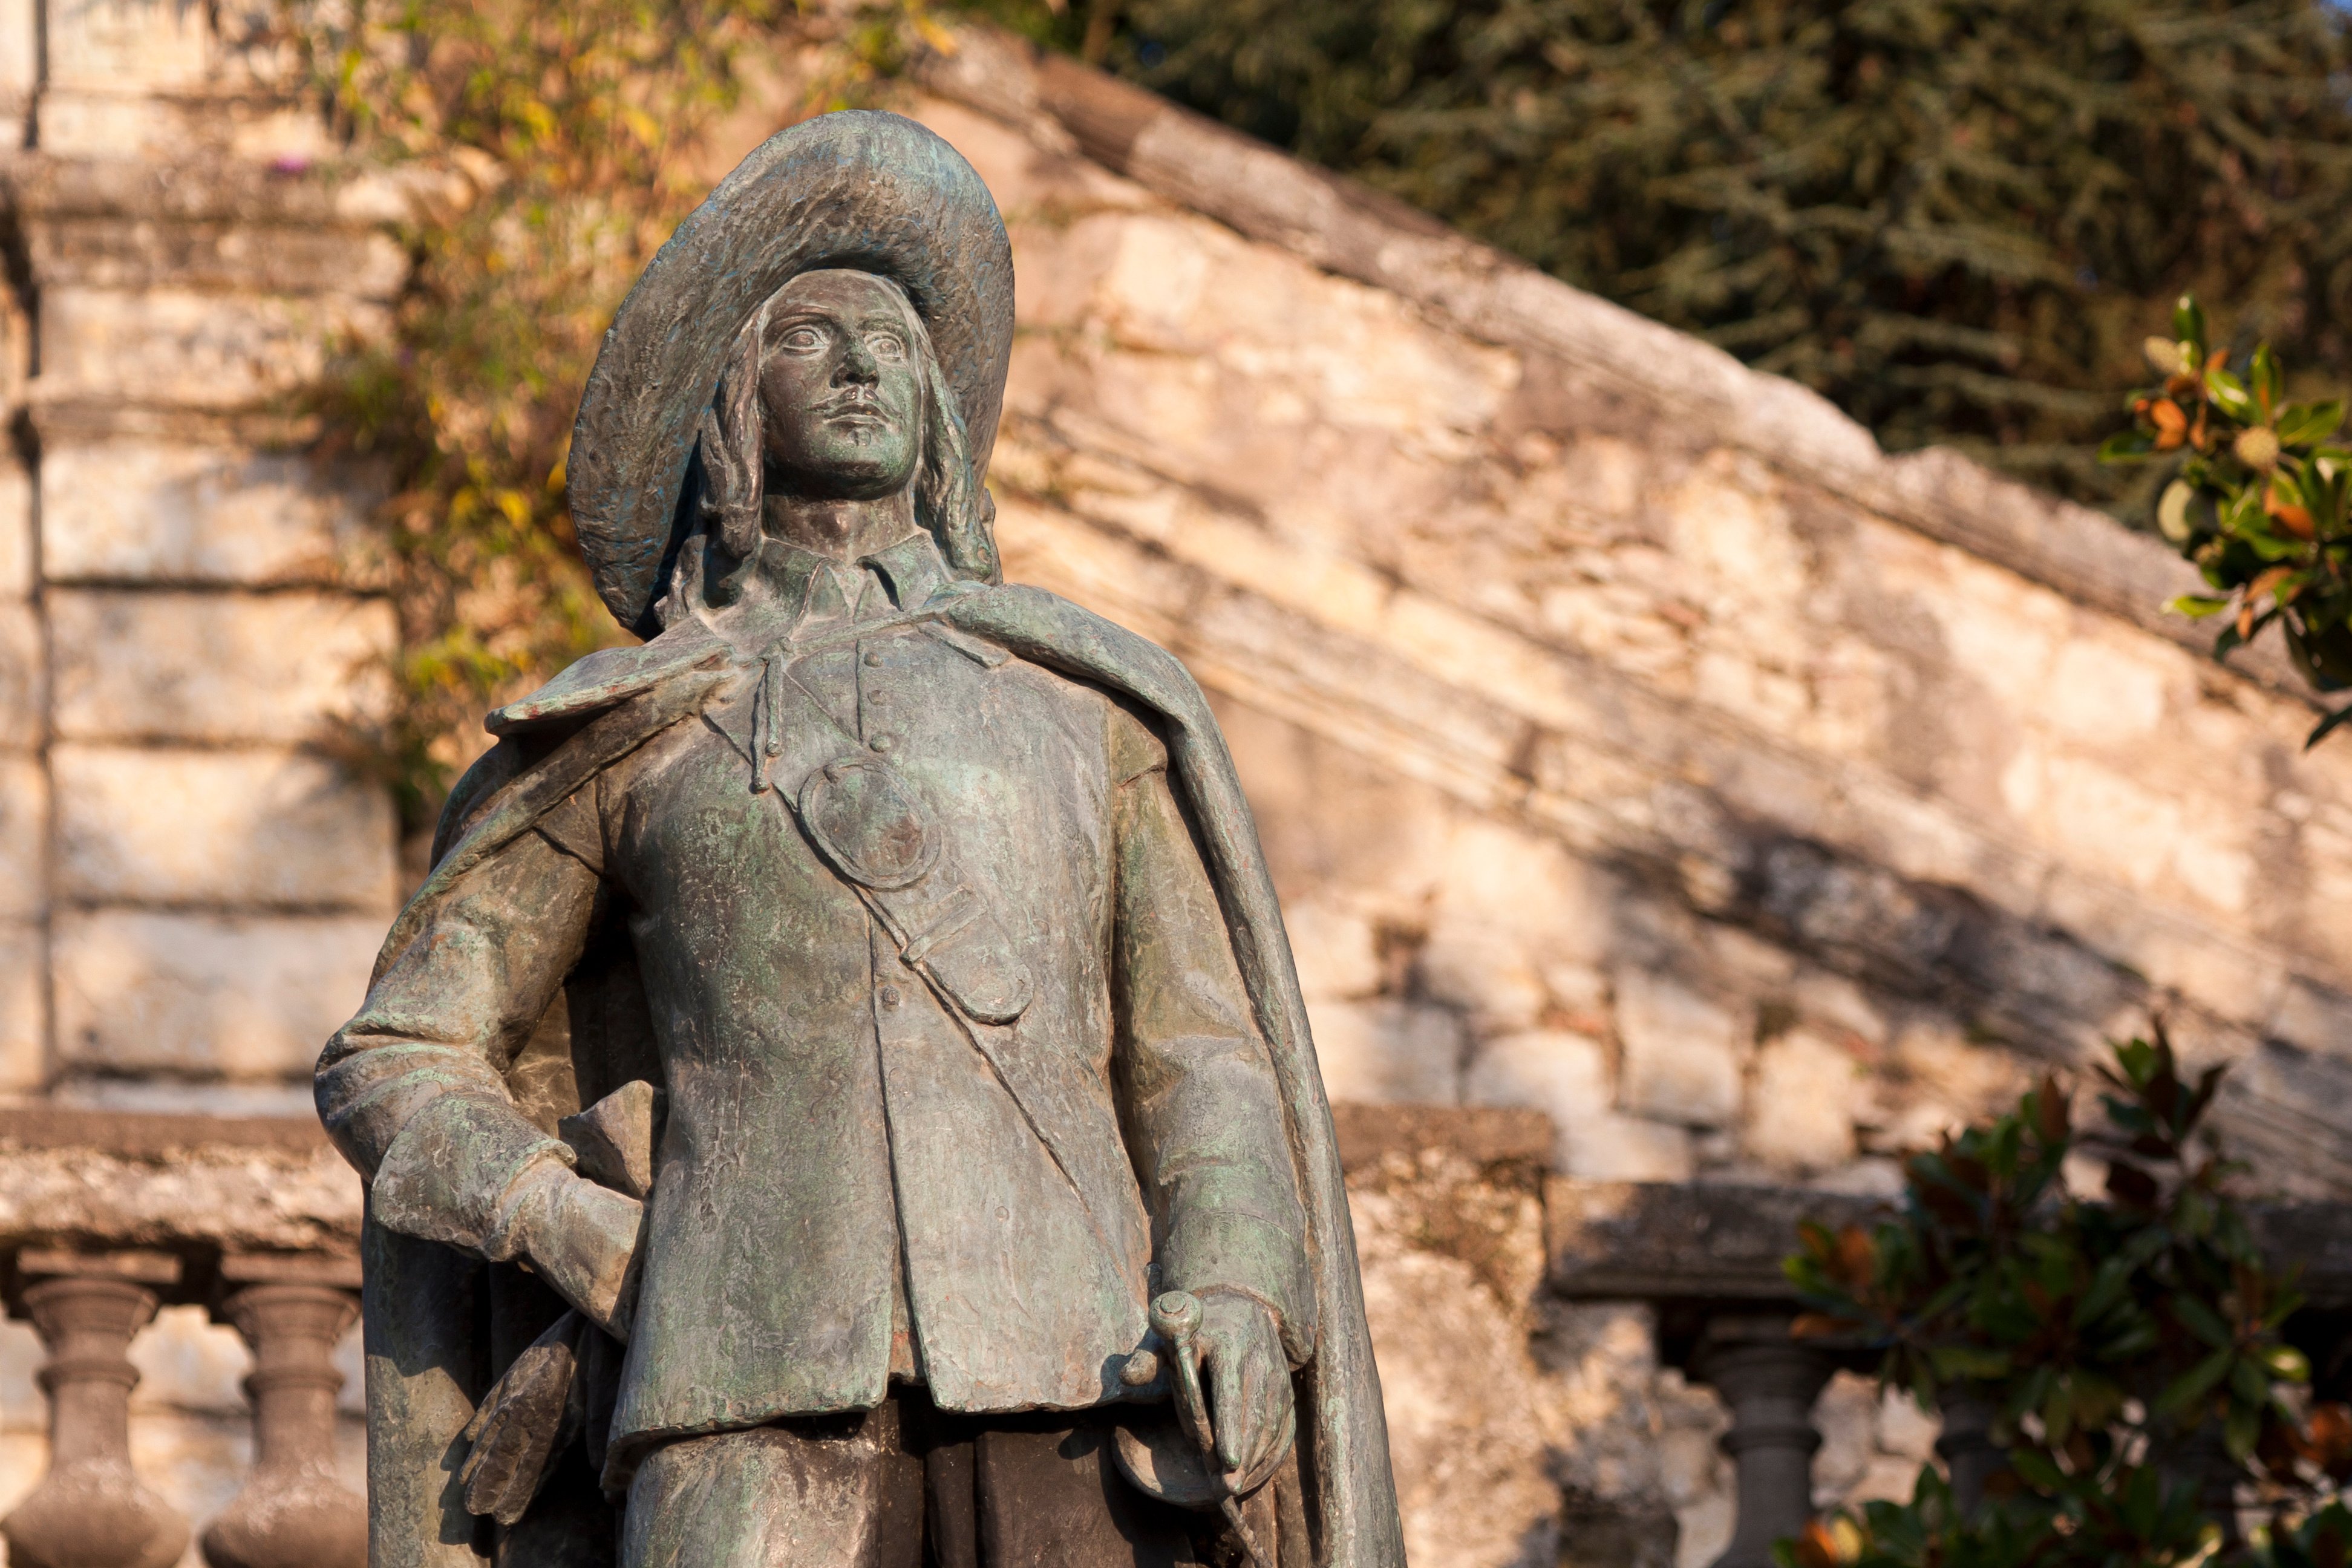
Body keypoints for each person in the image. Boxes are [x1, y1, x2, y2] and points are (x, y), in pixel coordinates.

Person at [319, 110, 1402, 1568]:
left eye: (891, 342)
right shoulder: (639, 727)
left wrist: (1239, 1288)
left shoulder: (1085, 708)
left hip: (1077, 1370)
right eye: (808, 337)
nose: (859, 366)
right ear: (732, 404)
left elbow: (1202, 1058)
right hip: (738, 1387)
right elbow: (393, 1057)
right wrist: (560, 1222)